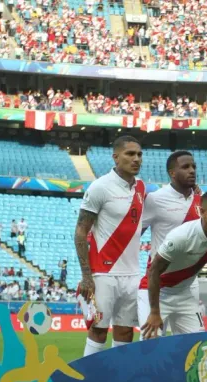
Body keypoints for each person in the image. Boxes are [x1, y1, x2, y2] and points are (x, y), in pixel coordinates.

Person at [75, 135, 144, 357]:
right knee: (98, 330)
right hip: (103, 273)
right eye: (130, 154)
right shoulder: (100, 187)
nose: (136, 159)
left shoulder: (141, 188)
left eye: (139, 154)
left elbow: (134, 226)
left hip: (132, 273)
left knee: (125, 332)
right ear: (115, 157)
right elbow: (80, 231)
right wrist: (87, 276)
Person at [141, 190, 207, 339]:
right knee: (150, 345)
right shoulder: (181, 237)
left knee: (197, 344)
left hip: (184, 294)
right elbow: (153, 271)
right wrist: (155, 312)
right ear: (202, 212)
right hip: (157, 293)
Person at [138, 151, 202, 338]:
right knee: (149, 348)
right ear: (172, 173)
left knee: (196, 346)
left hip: (188, 286)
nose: (192, 171)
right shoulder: (156, 199)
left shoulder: (202, 201)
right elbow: (135, 235)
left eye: (193, 166)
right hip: (159, 286)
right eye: (185, 167)